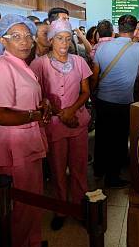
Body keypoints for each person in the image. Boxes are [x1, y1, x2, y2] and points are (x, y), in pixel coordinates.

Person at [0, 14, 51, 247]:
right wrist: (32, 114)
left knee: (34, 202)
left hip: (29, 142)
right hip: (15, 148)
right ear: (3, 40)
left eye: (27, 35)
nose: (24, 41)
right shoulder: (1, 67)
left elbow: (29, 102)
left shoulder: (23, 65)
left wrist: (43, 104)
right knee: (21, 209)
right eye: (16, 36)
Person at [30, 19, 92, 231]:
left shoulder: (79, 61)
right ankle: (61, 209)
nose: (64, 43)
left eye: (67, 38)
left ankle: (78, 207)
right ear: (50, 40)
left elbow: (86, 91)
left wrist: (71, 111)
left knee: (79, 168)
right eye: (59, 38)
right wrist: (60, 114)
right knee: (57, 170)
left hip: (77, 122)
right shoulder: (39, 64)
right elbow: (37, 96)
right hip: (55, 125)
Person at [91, 15, 139, 188]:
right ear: (134, 30)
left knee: (101, 135)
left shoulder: (100, 47)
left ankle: (98, 169)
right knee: (118, 140)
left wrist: (94, 94)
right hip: (123, 102)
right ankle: (113, 177)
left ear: (117, 28)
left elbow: (95, 76)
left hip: (103, 100)